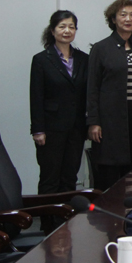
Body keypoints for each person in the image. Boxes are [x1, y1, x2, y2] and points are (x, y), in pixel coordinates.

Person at [86, 0, 132, 191]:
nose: (128, 19)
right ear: (113, 19)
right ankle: (108, 207)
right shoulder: (101, 48)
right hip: (109, 120)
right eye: (123, 14)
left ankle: (130, 206)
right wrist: (93, 121)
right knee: (109, 170)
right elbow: (92, 87)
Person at [29, 10, 89, 195]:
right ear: (52, 30)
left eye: (71, 27)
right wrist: (38, 129)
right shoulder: (41, 60)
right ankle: (48, 215)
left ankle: (67, 213)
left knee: (70, 178)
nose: (67, 31)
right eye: (62, 26)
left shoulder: (84, 59)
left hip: (76, 128)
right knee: (50, 178)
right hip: (51, 129)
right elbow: (36, 97)